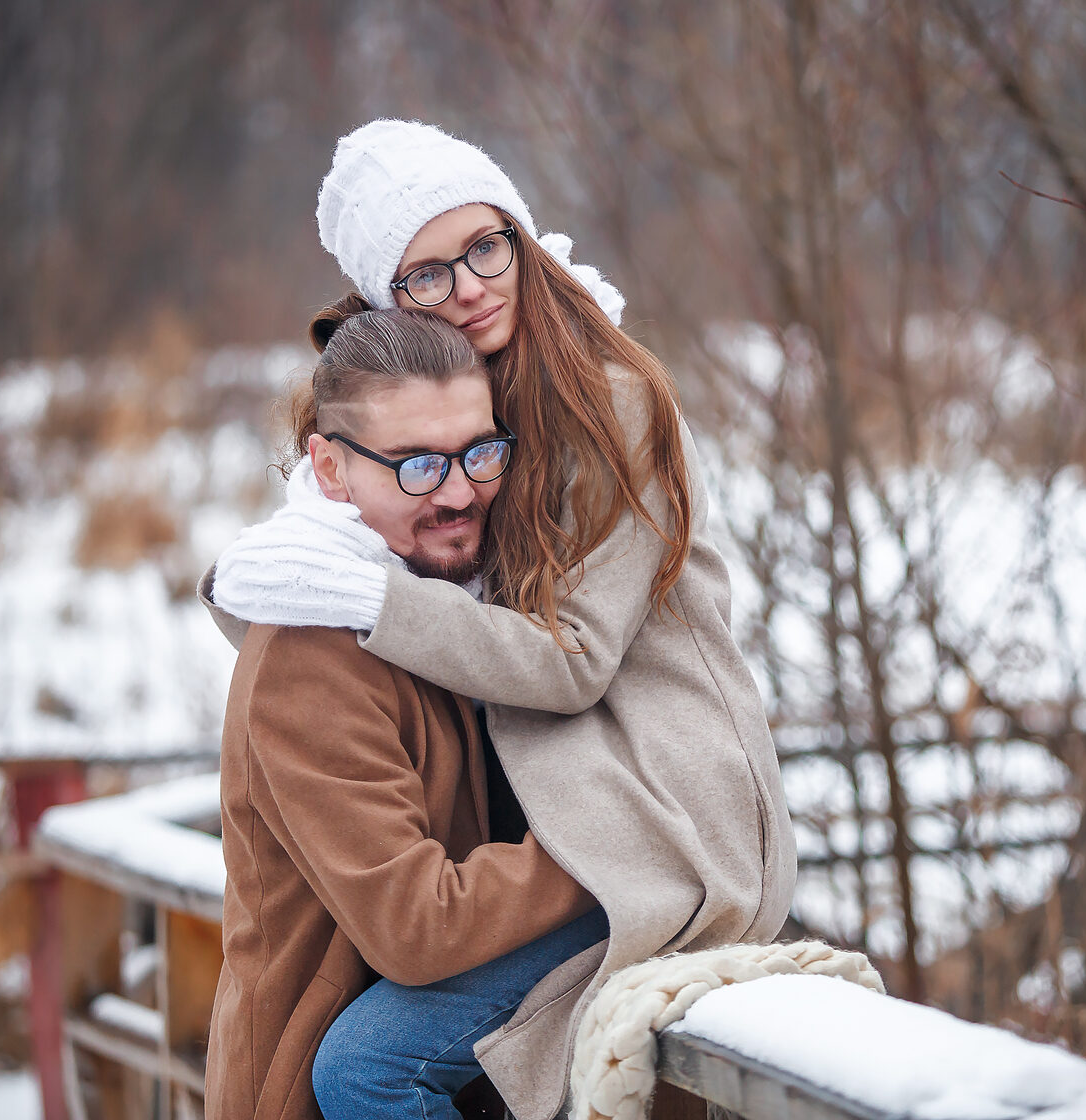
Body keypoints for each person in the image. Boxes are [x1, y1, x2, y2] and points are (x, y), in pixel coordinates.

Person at [204, 119, 798, 1120]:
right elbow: (333, 664)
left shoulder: (610, 407)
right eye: (428, 274)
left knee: (370, 1066)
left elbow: (568, 662)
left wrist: (360, 597)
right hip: (570, 825)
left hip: (665, 821)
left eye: (487, 246)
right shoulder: (456, 414)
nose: (473, 285)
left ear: (521, 237)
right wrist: (302, 580)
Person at [206, 308, 606, 1120]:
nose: (461, 492)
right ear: (329, 468)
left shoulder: (448, 603)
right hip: (313, 1091)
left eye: (479, 453)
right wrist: (615, 851)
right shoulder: (310, 657)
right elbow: (415, 925)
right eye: (418, 464)